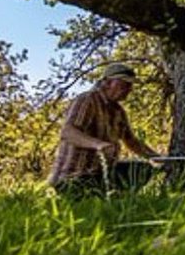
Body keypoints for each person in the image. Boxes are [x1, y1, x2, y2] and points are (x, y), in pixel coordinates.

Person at [48, 63, 161, 196]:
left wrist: (157, 158)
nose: (128, 89)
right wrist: (98, 145)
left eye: (130, 86)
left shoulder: (118, 111)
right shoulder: (87, 100)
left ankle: (117, 198)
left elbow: (131, 141)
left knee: (142, 170)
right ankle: (104, 197)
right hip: (75, 176)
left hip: (100, 174)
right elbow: (67, 132)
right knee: (89, 193)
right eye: (123, 84)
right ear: (107, 83)